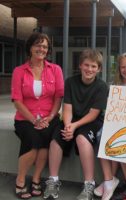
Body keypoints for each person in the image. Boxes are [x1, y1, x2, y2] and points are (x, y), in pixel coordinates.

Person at [43, 48, 108, 200]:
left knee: (81, 139)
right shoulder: (71, 82)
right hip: (72, 119)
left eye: (93, 66)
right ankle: (53, 181)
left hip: (91, 121)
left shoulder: (101, 86)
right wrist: (68, 126)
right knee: (57, 138)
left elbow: (94, 114)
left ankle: (89, 184)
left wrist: (75, 126)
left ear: (98, 69)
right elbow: (67, 108)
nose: (89, 69)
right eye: (86, 65)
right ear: (80, 65)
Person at [11, 32, 64, 199]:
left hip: (50, 117)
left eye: (45, 46)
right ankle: (20, 180)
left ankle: (36, 179)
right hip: (26, 118)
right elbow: (17, 101)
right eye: (38, 45)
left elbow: (58, 97)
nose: (41, 49)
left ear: (48, 50)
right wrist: (34, 120)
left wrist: (50, 116)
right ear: (30, 47)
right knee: (33, 140)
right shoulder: (19, 71)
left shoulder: (55, 70)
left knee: (45, 140)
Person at [94, 52, 126, 200]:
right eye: (123, 67)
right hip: (115, 123)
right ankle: (109, 179)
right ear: (119, 69)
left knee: (122, 140)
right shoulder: (114, 85)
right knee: (102, 136)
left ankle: (114, 182)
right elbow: (109, 109)